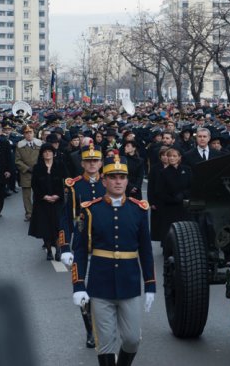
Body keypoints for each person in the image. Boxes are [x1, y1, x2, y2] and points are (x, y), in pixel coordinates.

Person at [71, 156, 156, 366]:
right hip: (100, 285)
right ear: (104, 181)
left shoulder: (138, 209)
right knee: (106, 342)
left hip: (129, 283)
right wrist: (78, 285)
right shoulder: (90, 210)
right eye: (113, 177)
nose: (118, 182)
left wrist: (150, 285)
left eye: (122, 177)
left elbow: (146, 250)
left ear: (127, 181)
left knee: (132, 339)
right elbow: (80, 251)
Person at [59, 144, 105, 350]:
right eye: (88, 161)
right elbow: (66, 217)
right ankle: (90, 330)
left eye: (95, 161)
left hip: (104, 241)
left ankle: (105, 326)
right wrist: (65, 246)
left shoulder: (108, 183)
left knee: (103, 287)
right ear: (83, 163)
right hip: (81, 241)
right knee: (81, 286)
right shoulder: (74, 185)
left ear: (101, 163)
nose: (92, 164)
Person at [29, 144, 66, 261]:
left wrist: (58, 195)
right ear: (42, 154)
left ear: (54, 153)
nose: (47, 154)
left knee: (58, 226)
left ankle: (58, 250)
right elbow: (34, 185)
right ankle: (49, 250)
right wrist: (44, 196)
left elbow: (66, 182)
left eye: (50, 151)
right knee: (45, 227)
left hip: (58, 201)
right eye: (45, 152)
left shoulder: (60, 166)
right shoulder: (37, 167)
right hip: (42, 202)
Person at [154, 148, 192, 245]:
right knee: (169, 232)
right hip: (169, 207)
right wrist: (172, 199)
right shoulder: (163, 173)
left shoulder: (186, 170)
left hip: (184, 206)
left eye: (174, 156)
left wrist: (183, 194)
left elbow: (192, 186)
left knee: (185, 230)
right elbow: (159, 192)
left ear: (179, 157)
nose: (171, 158)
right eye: (169, 156)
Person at [15, 126, 42, 222]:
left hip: (39, 172)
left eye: (30, 132)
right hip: (26, 173)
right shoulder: (20, 145)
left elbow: (44, 157)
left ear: (33, 133)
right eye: (26, 133)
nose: (29, 134)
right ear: (24, 134)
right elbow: (17, 160)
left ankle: (38, 212)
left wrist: (39, 167)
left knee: (38, 193)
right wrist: (27, 168)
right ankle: (29, 213)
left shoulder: (40, 144)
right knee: (26, 195)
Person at [147, 147, 170, 243]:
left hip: (170, 200)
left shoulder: (174, 167)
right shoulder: (154, 168)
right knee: (160, 223)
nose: (165, 157)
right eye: (163, 155)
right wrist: (151, 202)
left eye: (167, 155)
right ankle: (163, 242)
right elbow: (150, 186)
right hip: (158, 200)